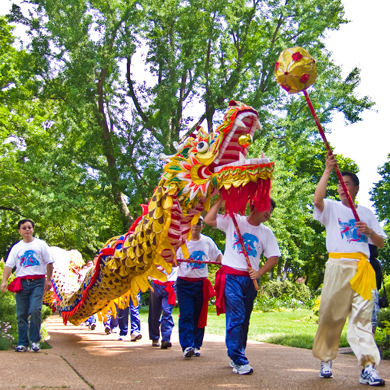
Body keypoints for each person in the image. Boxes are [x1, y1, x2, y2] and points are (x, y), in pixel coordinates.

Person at [312, 153, 386, 386]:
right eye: (339, 184)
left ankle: (368, 366)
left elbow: (381, 243)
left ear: (356, 188)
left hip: (362, 269)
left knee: (362, 319)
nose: (343, 188)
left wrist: (370, 233)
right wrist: (327, 170)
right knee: (330, 315)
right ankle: (325, 359)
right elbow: (317, 200)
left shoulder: (366, 213)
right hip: (337, 266)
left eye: (348, 184)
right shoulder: (331, 207)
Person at [205, 196, 280, 375]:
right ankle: (239, 358)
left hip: (250, 280)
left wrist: (260, 272)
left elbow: (274, 257)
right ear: (255, 205)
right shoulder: (234, 220)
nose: (269, 213)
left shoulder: (266, 232)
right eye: (266, 208)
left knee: (244, 320)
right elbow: (208, 220)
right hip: (231, 276)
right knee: (236, 315)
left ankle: (237, 353)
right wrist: (220, 199)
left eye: (271, 210)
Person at [1, 219, 54, 352]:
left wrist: (48, 280)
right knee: (21, 314)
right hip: (22, 283)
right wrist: (4, 281)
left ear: (33, 229)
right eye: (24, 228)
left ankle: (35, 341)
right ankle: (22, 343)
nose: (27, 230)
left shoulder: (41, 245)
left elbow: (49, 262)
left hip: (38, 282)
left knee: (36, 310)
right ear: (20, 231)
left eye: (29, 227)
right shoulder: (17, 247)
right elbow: (8, 265)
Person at [176, 216, 223, 358]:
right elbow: (174, 262)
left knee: (198, 315)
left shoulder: (207, 241)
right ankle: (187, 346)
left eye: (198, 223)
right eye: (192, 223)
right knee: (186, 314)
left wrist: (223, 263)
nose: (195, 226)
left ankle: (196, 344)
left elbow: (218, 255)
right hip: (184, 283)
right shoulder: (182, 242)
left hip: (201, 284)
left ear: (203, 226)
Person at [148, 266, 177, 349]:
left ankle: (166, 339)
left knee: (167, 312)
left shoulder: (178, 253)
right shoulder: (157, 254)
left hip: (170, 286)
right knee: (154, 313)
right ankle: (154, 337)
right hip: (156, 285)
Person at [369, 244, 383, 335]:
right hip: (374, 290)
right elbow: (379, 279)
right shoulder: (377, 262)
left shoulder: (364, 262)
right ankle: (372, 337)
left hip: (364, 290)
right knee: (373, 318)